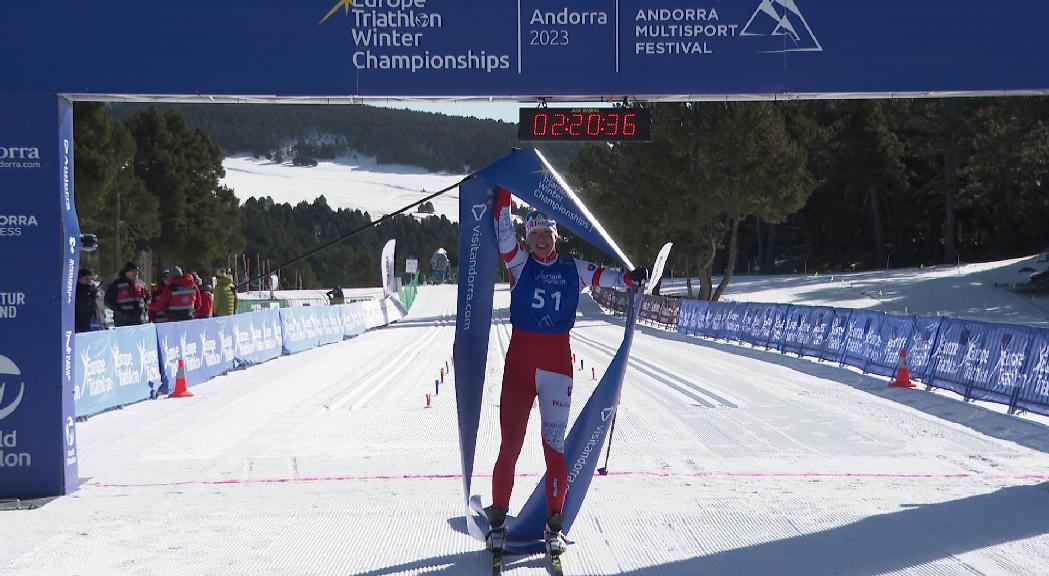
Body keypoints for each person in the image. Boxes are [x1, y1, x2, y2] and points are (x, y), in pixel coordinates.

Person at [486, 188, 648, 557]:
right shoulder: (518, 263)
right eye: (536, 236)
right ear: (529, 239)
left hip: (557, 362)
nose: (541, 241)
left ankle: (554, 525)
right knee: (509, 446)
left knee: (554, 451)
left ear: (555, 237)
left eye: (547, 235)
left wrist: (630, 279)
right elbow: (503, 228)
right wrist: (507, 189)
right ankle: (498, 522)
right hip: (520, 363)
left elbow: (605, 277)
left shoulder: (572, 268)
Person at [104, 261, 149, 326]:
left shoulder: (141, 284)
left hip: (139, 320)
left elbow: (148, 297)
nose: (136, 273)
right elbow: (108, 301)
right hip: (122, 321)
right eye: (133, 271)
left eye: (137, 271)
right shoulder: (117, 284)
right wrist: (120, 312)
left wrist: (145, 308)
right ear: (126, 272)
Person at [74, 268, 105, 333]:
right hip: (81, 324)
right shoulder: (76, 291)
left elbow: (100, 307)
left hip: (97, 321)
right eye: (86, 278)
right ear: (80, 279)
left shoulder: (95, 290)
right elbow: (82, 305)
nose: (89, 281)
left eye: (91, 278)